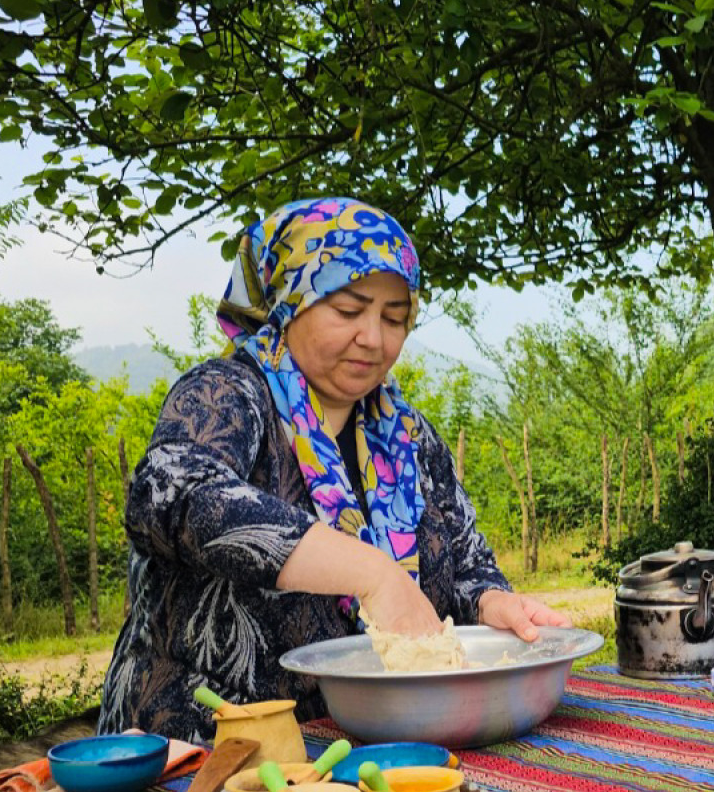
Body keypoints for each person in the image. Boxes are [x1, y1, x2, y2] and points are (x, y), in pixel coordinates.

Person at [99, 197, 568, 742]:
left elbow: (465, 566)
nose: (374, 338)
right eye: (348, 311)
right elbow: (171, 495)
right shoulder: (227, 395)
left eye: (395, 318)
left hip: (364, 745)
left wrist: (494, 603)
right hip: (203, 747)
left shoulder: (407, 435)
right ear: (289, 305)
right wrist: (372, 573)